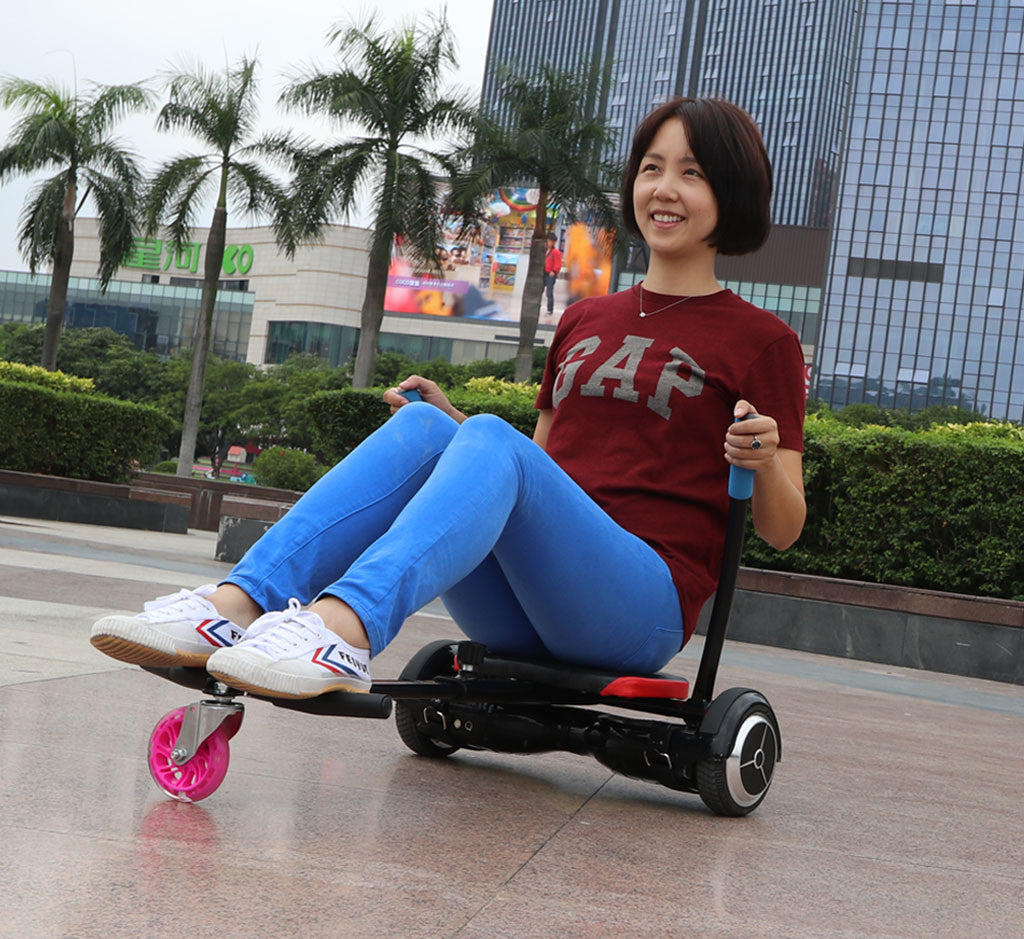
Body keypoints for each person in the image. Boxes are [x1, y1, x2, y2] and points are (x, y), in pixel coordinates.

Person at [90, 97, 806, 700]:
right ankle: (233, 607)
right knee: (431, 428)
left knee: (486, 434)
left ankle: (342, 631)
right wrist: (456, 428)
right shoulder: (587, 318)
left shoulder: (761, 340)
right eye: (651, 168)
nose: (664, 188)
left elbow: (782, 528)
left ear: (731, 192)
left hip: (636, 608)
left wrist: (765, 459)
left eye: (691, 173)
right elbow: (548, 468)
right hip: (523, 602)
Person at [544, 231, 563, 315]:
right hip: (544, 272)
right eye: (548, 241)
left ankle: (550, 309)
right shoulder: (545, 250)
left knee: (549, 292)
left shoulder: (556, 252)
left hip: (550, 274)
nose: (549, 243)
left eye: (551, 241)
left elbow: (558, 263)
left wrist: (554, 271)